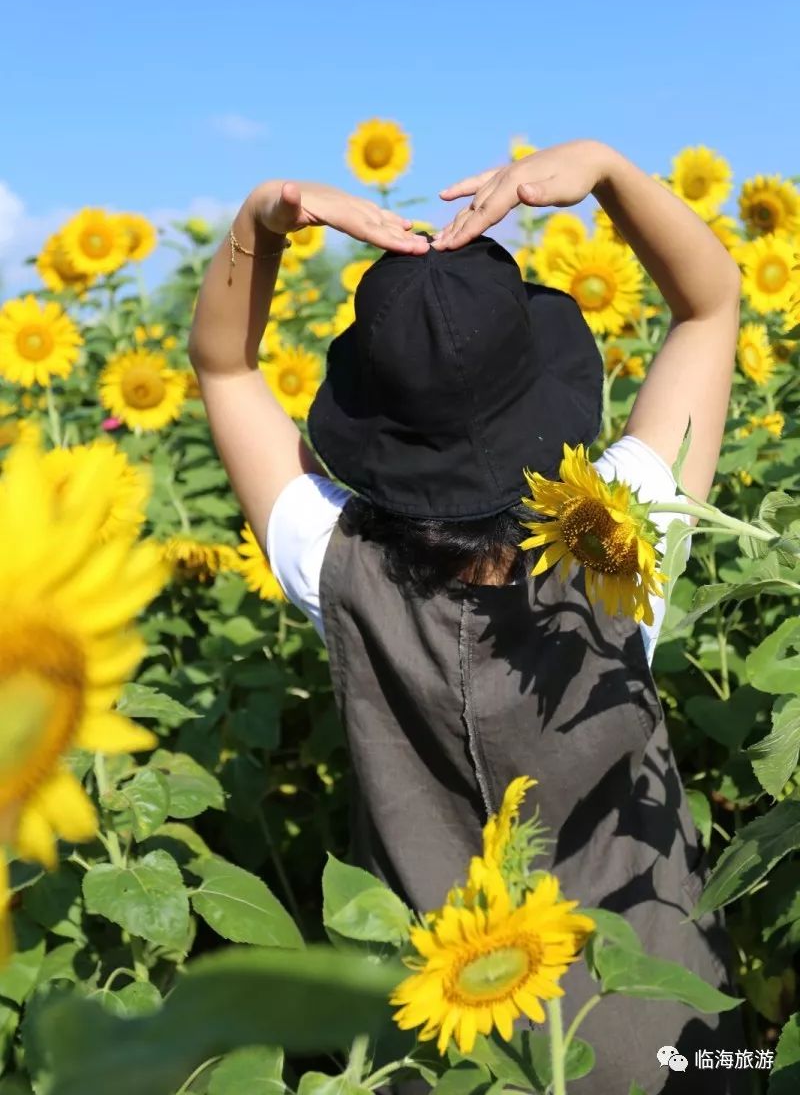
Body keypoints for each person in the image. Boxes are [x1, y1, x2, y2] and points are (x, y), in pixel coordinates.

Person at [188, 139, 747, 1094]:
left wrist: (266, 216)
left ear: (367, 427)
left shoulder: (334, 562)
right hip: (674, 1035)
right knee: (755, 1059)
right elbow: (712, 304)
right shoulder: (620, 535)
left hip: (449, 1049)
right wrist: (609, 175)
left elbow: (224, 367)